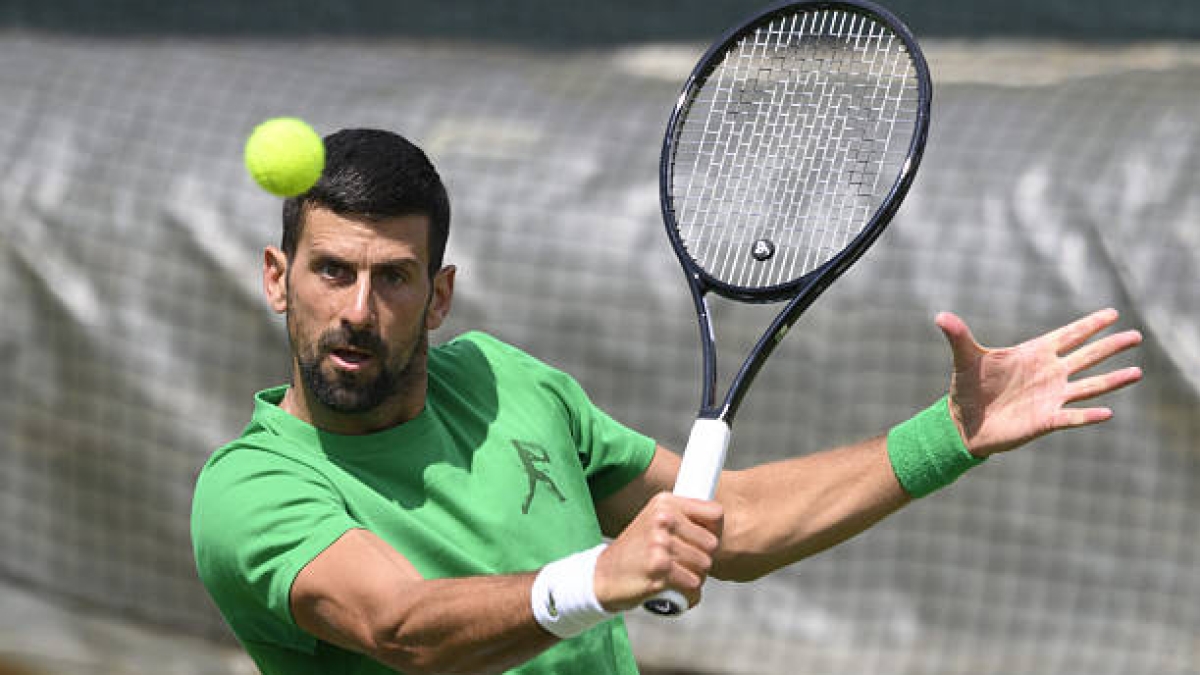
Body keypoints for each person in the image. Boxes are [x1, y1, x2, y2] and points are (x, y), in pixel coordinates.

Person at [191, 128, 1144, 675]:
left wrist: (950, 434)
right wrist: (597, 576)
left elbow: (720, 531)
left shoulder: (504, 381)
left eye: (394, 278)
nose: (357, 310)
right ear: (279, 279)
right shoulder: (251, 490)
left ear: (439, 297)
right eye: (331, 272)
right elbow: (401, 625)